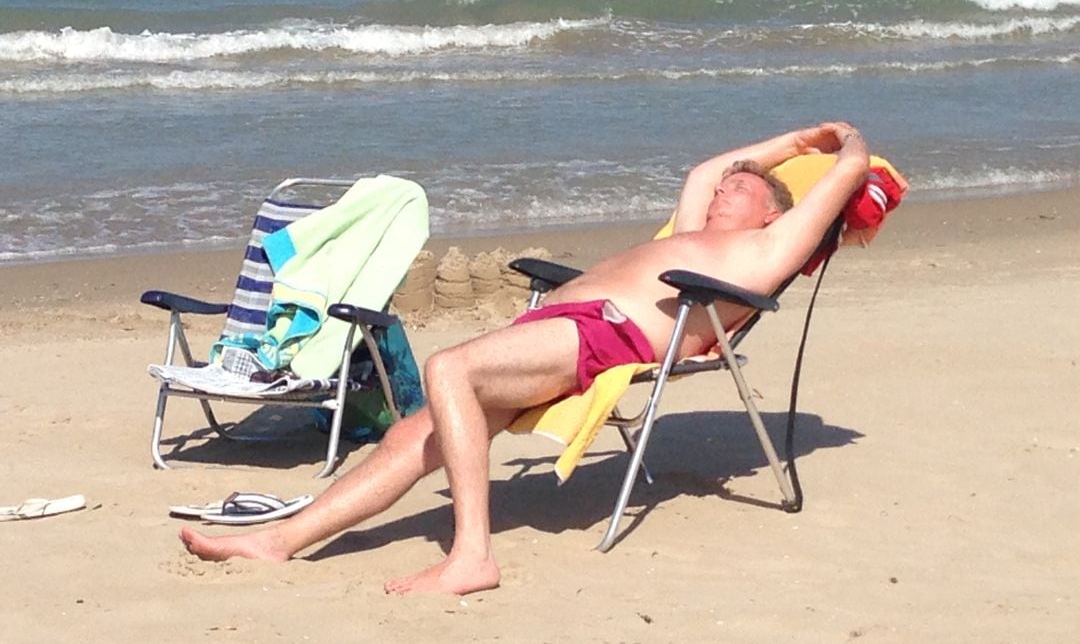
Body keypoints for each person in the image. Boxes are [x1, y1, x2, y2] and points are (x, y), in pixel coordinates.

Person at [180, 121, 871, 596]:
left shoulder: (761, 253)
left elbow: (850, 171)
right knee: (409, 439)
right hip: (558, 327)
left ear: (774, 212)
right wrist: (788, 141)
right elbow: (704, 169)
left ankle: (472, 556)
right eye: (730, 183)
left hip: (605, 337)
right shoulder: (692, 234)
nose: (728, 186)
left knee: (448, 368)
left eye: (745, 187)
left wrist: (841, 142)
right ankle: (280, 540)